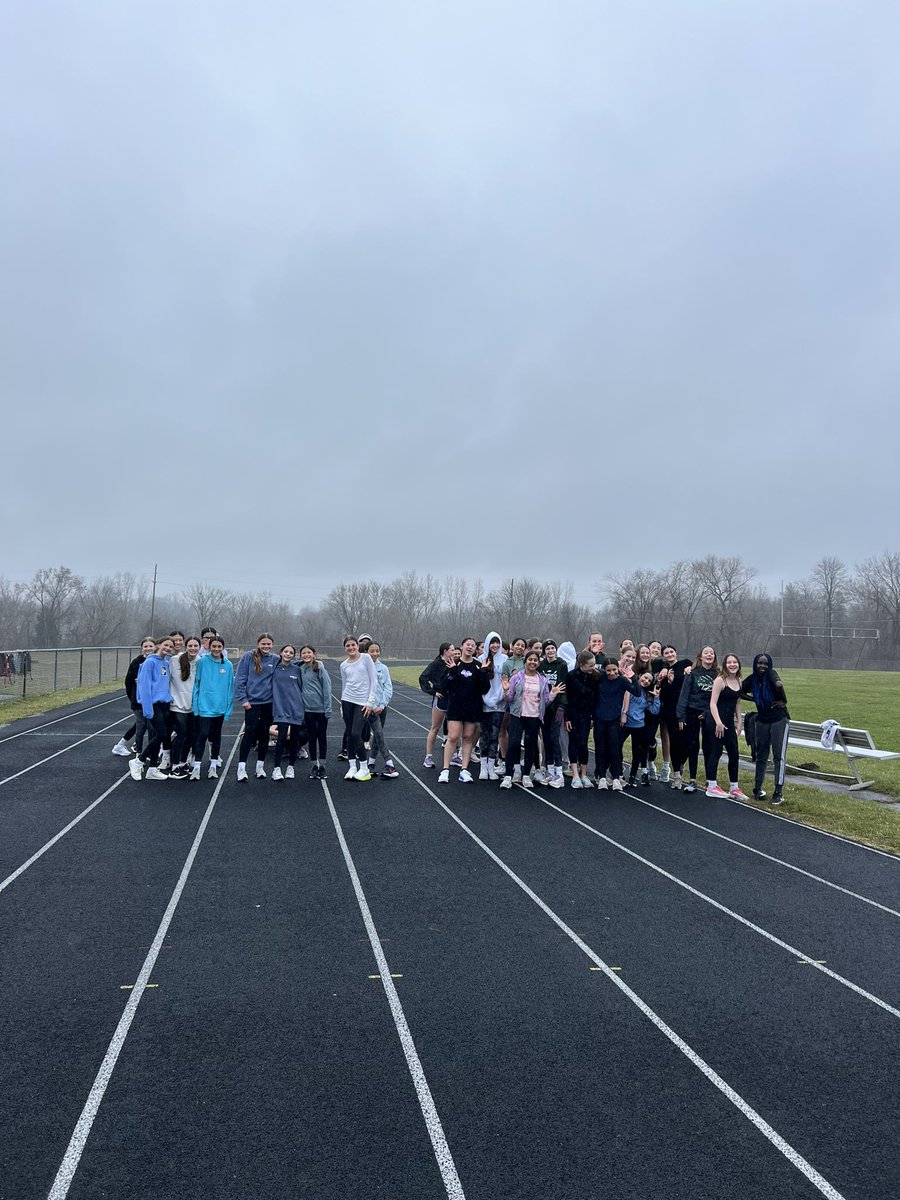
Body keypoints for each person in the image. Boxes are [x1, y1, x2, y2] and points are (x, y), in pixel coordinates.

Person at [500, 649, 564, 788]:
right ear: (525, 662)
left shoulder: (542, 679)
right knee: (514, 744)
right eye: (530, 660)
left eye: (535, 660)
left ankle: (526, 775)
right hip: (517, 715)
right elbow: (509, 698)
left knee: (530, 746)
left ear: (538, 663)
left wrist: (552, 694)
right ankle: (508, 776)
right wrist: (505, 690)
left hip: (534, 717)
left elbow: (545, 701)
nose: (532, 662)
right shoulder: (517, 677)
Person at [438, 637, 491, 783]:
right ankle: (445, 770)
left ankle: (464, 769)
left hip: (473, 707)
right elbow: (444, 686)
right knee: (453, 737)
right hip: (455, 706)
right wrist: (453, 671)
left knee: (468, 737)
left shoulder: (479, 665)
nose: (470, 647)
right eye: (467, 644)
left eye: (473, 645)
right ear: (461, 647)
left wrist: (483, 673)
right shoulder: (453, 663)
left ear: (475, 649)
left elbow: (485, 689)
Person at [740, 653, 790, 805]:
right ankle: (757, 788)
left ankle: (778, 792)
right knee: (760, 755)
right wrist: (754, 698)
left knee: (778, 756)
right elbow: (738, 690)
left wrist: (783, 700)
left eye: (765, 664)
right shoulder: (753, 678)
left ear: (770, 665)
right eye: (759, 663)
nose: (762, 666)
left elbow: (779, 685)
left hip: (778, 719)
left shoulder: (771, 674)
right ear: (755, 664)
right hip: (762, 719)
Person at [234, 633, 279, 781]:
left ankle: (260, 767)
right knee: (249, 734)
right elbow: (240, 679)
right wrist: (244, 700)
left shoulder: (275, 659)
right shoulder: (248, 656)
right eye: (263, 644)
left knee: (265, 735)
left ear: (272, 645)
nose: (266, 646)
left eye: (268, 644)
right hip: (252, 704)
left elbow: (289, 664)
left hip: (268, 703)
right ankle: (241, 768)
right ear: (258, 644)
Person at [130, 637, 175, 780]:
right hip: (153, 705)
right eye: (165, 645)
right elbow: (143, 687)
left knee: (158, 735)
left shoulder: (165, 663)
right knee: (161, 734)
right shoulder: (149, 662)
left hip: (164, 704)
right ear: (158, 645)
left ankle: (152, 769)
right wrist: (147, 709)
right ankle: (138, 761)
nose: (168, 648)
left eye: (170, 647)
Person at [676, 647, 719, 794]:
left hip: (710, 713)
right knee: (693, 746)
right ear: (700, 656)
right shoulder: (692, 673)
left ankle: (710, 780)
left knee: (709, 747)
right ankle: (692, 780)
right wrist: (680, 716)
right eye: (706, 653)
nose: (709, 655)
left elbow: (720, 698)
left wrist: (708, 712)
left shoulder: (718, 675)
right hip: (692, 712)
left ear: (714, 657)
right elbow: (684, 695)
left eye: (711, 653)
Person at [190, 636, 234, 779]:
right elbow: (196, 685)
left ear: (223, 648)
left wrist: (228, 709)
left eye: (219, 646)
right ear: (209, 647)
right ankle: (196, 766)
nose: (216, 649)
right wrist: (195, 706)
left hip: (219, 708)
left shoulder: (228, 665)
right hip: (204, 707)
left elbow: (230, 689)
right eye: (213, 646)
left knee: (216, 737)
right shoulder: (202, 662)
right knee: (202, 735)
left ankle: (213, 766)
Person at [593, 659, 639, 791]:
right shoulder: (600, 679)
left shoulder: (622, 681)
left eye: (614, 670)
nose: (612, 673)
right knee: (600, 747)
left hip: (614, 719)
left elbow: (636, 692)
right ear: (604, 670)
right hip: (600, 717)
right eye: (608, 670)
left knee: (615, 748)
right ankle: (601, 777)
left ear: (617, 669)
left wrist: (633, 678)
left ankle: (616, 777)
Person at [706, 654, 746, 798]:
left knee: (734, 753)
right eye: (729, 662)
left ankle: (734, 787)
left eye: (735, 662)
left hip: (729, 722)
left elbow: (737, 703)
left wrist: (739, 721)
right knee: (716, 752)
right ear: (725, 665)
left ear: (739, 664)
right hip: (716, 721)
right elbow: (712, 703)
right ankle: (711, 786)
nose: (732, 665)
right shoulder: (719, 681)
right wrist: (718, 722)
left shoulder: (739, 681)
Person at [340, 636, 378, 781]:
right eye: (347, 646)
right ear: (345, 648)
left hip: (362, 702)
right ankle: (352, 767)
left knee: (356, 733)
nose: (350, 648)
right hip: (347, 700)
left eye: (353, 645)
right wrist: (341, 707)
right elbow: (345, 684)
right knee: (349, 734)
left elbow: (373, 680)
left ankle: (364, 767)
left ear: (357, 645)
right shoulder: (343, 665)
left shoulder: (366, 658)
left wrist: (370, 702)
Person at [113, 637, 155, 757]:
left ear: (155, 647)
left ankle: (150, 753)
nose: (148, 649)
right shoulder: (136, 663)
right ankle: (139, 754)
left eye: (151, 646)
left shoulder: (156, 661)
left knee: (151, 727)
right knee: (141, 726)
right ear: (142, 648)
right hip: (138, 701)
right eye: (146, 646)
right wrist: (133, 698)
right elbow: (128, 682)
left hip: (153, 701)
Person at [657, 645, 692, 788]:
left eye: (671, 651)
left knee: (688, 743)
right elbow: (663, 695)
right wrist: (669, 682)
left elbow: (695, 670)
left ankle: (681, 762)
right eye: (666, 653)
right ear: (664, 656)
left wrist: (690, 670)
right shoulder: (665, 673)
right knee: (675, 741)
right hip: (671, 711)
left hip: (687, 710)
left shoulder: (685, 664)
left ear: (676, 652)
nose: (670, 654)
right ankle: (676, 774)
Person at [270, 645, 306, 781]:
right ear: (280, 653)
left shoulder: (297, 670)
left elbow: (301, 687)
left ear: (294, 655)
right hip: (281, 709)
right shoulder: (274, 669)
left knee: (295, 740)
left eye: (291, 652)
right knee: (281, 739)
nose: (288, 654)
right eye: (286, 651)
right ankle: (276, 769)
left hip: (296, 709)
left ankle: (291, 767)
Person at [565, 650, 600, 788]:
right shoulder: (571, 676)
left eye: (594, 665)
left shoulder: (596, 677)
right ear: (581, 664)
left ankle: (584, 774)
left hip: (586, 714)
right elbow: (567, 697)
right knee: (573, 742)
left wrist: (592, 716)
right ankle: (575, 775)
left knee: (583, 743)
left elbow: (595, 698)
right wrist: (567, 718)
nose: (593, 668)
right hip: (573, 714)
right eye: (590, 665)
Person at [168, 636, 201, 778]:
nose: (193, 648)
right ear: (185, 647)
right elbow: (166, 678)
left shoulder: (201, 662)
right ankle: (174, 765)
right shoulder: (175, 660)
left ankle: (182, 762)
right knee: (181, 735)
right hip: (176, 705)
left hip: (192, 706)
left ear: (199, 647)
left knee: (191, 736)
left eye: (195, 646)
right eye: (190, 646)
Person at [419, 643, 455, 768]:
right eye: (452, 649)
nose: (454, 651)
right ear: (445, 651)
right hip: (440, 699)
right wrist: (433, 692)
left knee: (454, 730)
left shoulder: (454, 663)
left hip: (453, 699)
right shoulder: (435, 664)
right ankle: (428, 757)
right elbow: (423, 677)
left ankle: (453, 756)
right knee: (435, 728)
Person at [538, 640, 568, 788]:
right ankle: (549, 771)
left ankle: (559, 772)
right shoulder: (542, 666)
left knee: (554, 738)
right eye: (547, 648)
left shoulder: (562, 665)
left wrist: (562, 706)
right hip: (544, 707)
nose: (550, 651)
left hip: (556, 707)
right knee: (546, 739)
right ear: (544, 651)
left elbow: (563, 686)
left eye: (552, 648)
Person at [299, 645, 332, 780]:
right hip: (308, 711)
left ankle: (322, 766)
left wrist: (327, 709)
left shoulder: (320, 668)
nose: (306, 655)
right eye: (303, 653)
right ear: (300, 656)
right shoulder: (300, 669)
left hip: (321, 710)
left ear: (314, 654)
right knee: (312, 738)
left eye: (309, 652)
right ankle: (314, 765)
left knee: (322, 737)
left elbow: (327, 689)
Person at [622, 672, 661, 787]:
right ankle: (617, 771)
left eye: (649, 680)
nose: (646, 681)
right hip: (624, 723)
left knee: (637, 752)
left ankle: (633, 777)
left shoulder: (647, 695)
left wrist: (657, 698)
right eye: (645, 677)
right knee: (617, 746)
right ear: (639, 676)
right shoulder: (631, 687)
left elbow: (654, 711)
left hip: (638, 726)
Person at [366, 643, 399, 778]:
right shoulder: (363, 667)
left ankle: (371, 764)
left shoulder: (383, 668)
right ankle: (390, 764)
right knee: (379, 733)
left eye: (377, 651)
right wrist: (372, 706)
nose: (375, 654)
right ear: (366, 652)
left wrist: (382, 705)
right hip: (370, 708)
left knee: (378, 736)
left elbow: (388, 687)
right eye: (372, 651)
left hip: (382, 707)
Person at [477, 632, 507, 780]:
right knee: (484, 734)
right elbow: (478, 683)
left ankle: (491, 766)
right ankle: (483, 767)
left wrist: (495, 699)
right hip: (483, 703)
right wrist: (486, 699)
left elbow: (505, 682)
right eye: (492, 642)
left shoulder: (505, 660)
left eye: (497, 642)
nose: (495, 645)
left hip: (499, 704)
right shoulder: (480, 660)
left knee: (495, 735)